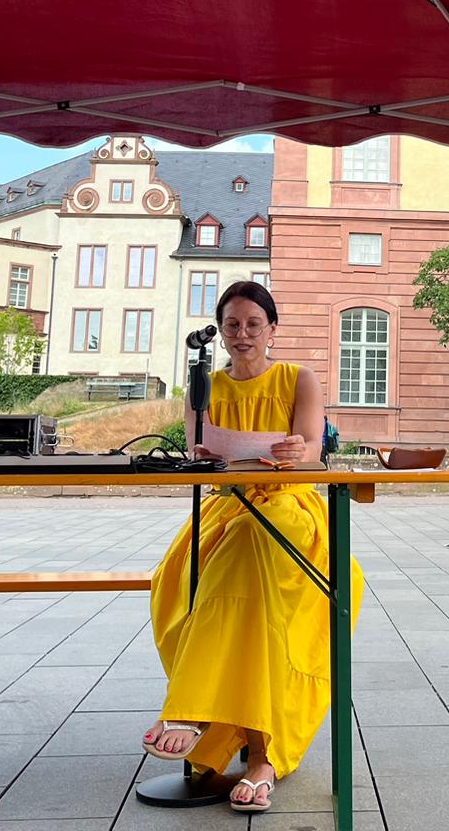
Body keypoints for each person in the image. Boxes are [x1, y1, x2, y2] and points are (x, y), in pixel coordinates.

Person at [141, 280, 363, 813]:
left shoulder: (298, 378)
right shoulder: (206, 385)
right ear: (220, 333)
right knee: (197, 571)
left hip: (290, 502)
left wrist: (295, 449)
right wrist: (202, 449)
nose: (242, 335)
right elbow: (199, 458)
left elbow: (313, 453)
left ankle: (195, 709)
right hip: (228, 503)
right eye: (232, 325)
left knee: (248, 549)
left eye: (253, 324)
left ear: (272, 330)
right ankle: (259, 757)